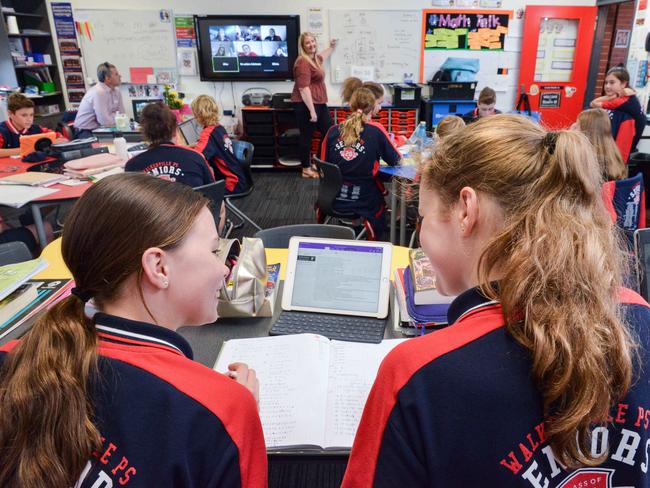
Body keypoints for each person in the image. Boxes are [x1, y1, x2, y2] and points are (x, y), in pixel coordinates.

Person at [342, 114, 650, 486]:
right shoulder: (639, 314)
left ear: (465, 211)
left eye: (422, 218)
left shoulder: (417, 375)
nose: (420, 234)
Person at [0, 173, 267, 487]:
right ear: (159, 267)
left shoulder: (13, 356)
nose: (224, 267)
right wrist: (233, 410)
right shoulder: (220, 411)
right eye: (213, 251)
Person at [320, 88, 401, 240]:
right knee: (379, 196)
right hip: (364, 201)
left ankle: (356, 227)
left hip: (332, 198)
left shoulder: (332, 131)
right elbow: (396, 160)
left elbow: (324, 164)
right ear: (372, 108)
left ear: (351, 105)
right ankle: (364, 232)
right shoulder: (376, 131)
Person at [125, 103, 214, 188]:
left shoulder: (132, 165)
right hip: (191, 203)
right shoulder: (196, 157)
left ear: (145, 133)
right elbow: (215, 194)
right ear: (175, 131)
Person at [291, 32, 338, 178]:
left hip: (319, 102)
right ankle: (306, 168)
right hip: (306, 104)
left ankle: (317, 163)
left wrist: (331, 47)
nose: (311, 44)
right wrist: (312, 111)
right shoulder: (303, 62)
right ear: (303, 46)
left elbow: (323, 55)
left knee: (330, 132)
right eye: (307, 43)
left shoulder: (314, 59)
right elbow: (303, 88)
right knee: (306, 136)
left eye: (313, 41)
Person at [192, 95, 249, 195]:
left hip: (231, 184)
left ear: (199, 115)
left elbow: (196, 157)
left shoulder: (207, 133)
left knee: (194, 192)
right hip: (239, 178)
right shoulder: (218, 128)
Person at [591, 66, 646, 162]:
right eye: (606, 82)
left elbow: (593, 103)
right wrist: (616, 94)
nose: (607, 86)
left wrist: (614, 96)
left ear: (623, 84)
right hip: (621, 147)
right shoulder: (626, 98)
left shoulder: (622, 102)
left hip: (622, 151)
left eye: (612, 82)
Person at [0, 93, 65, 157]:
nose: (29, 119)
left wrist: (57, 141)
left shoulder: (37, 129)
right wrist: (25, 150)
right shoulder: (2, 131)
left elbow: (62, 138)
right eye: (24, 115)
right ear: (10, 114)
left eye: (31, 115)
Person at [73, 62, 125, 138]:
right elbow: (105, 122)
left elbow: (122, 115)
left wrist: (114, 117)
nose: (120, 76)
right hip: (85, 131)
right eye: (116, 74)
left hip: (102, 129)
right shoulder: (99, 92)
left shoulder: (117, 91)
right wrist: (115, 116)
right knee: (107, 147)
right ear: (107, 78)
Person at [574, 108, 627, 181]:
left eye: (577, 125)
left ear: (586, 130)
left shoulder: (587, 159)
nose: (574, 127)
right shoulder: (613, 153)